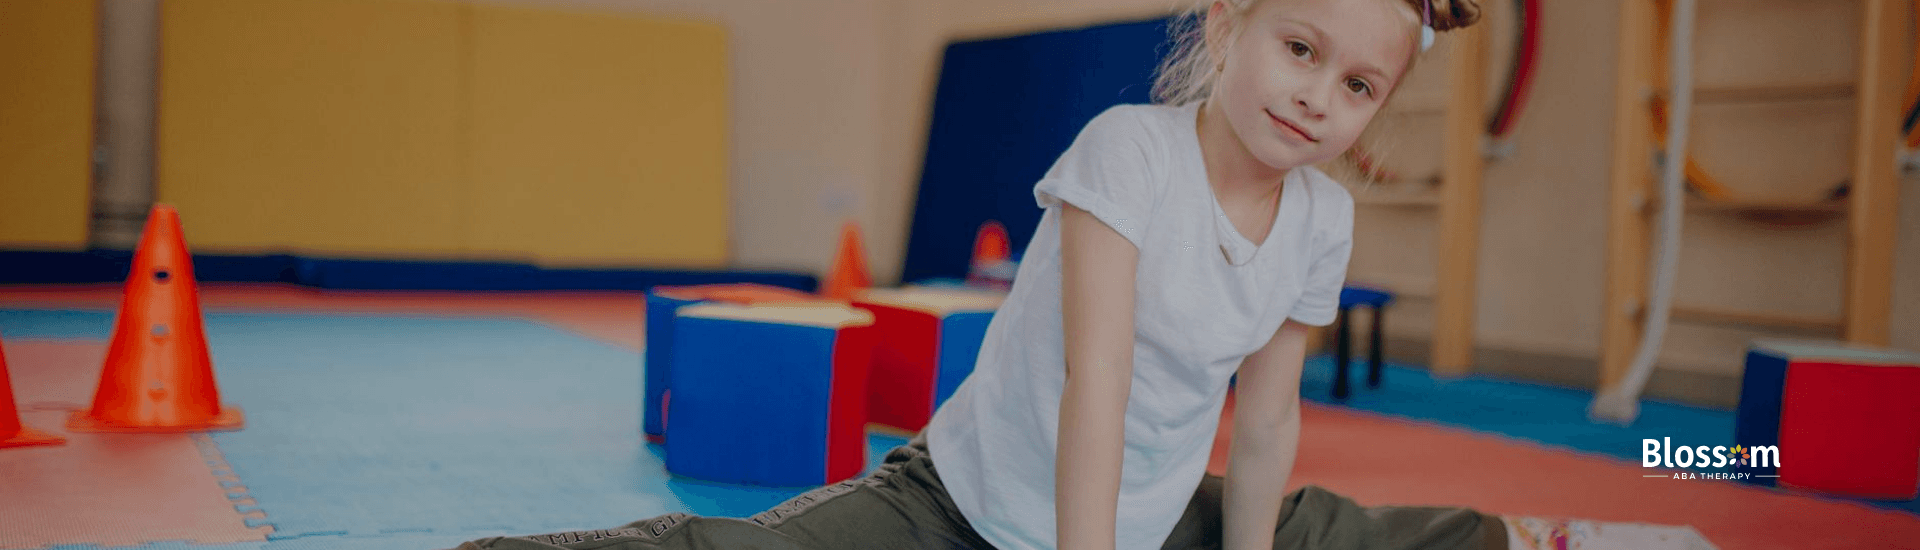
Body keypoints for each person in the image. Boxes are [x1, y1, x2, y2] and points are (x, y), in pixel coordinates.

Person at [453, 1, 1715, 549]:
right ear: (1227, 27)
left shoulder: (1321, 220)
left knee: (1331, 530)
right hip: (967, 501)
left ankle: (1559, 528)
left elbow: (1268, 420)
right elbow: (1096, 387)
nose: (1316, 94)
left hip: (1146, 513)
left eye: (1356, 82)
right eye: (1299, 47)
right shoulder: (1128, 153)